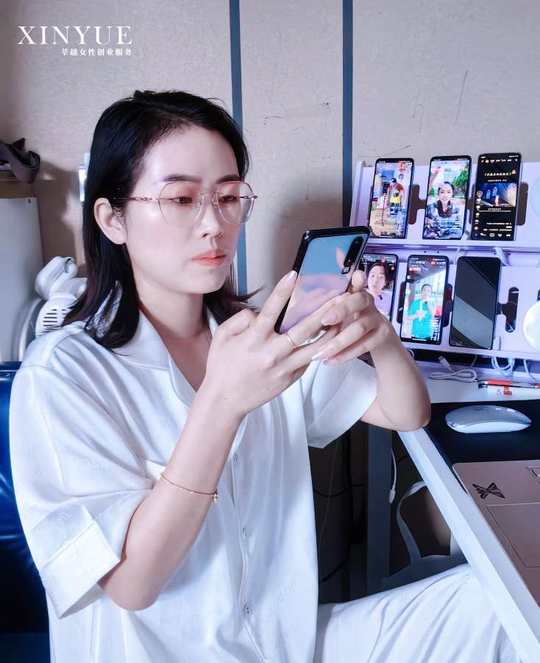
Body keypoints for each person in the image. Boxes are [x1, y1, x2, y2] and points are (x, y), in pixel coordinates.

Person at [9, 90, 518, 663]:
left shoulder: (261, 336)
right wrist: (221, 404)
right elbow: (132, 584)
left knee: (500, 602)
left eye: (228, 197)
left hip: (281, 645)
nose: (214, 224)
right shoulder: (62, 376)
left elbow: (406, 412)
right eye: (181, 199)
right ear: (112, 219)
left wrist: (380, 336)